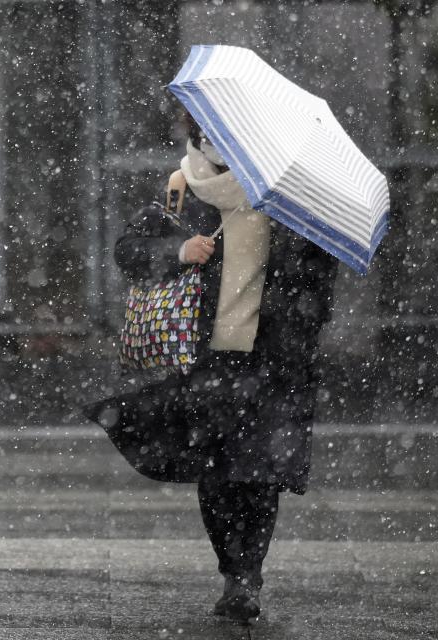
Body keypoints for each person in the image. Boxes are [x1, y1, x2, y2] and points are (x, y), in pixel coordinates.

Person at [86, 112, 339, 623]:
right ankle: (232, 565)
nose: (222, 142)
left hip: (272, 360)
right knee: (219, 475)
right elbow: (128, 251)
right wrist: (179, 249)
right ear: (198, 135)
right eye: (211, 133)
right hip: (205, 361)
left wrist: (295, 312)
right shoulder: (185, 186)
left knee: (260, 474)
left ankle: (247, 575)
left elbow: (319, 275)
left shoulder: (286, 197)